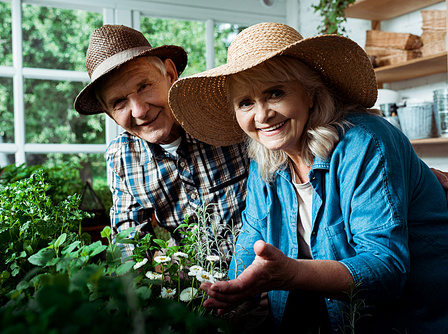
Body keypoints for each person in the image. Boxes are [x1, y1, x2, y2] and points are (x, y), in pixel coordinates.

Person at [168, 22, 448, 333]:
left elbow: (387, 269)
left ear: (310, 94)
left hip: (411, 320)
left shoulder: (366, 142)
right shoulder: (266, 162)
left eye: (275, 92)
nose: (261, 116)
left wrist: (291, 275)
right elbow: (249, 246)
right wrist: (233, 292)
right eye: (245, 102)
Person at [74, 25, 249, 261]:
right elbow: (129, 243)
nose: (140, 111)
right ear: (109, 113)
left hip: (263, 277)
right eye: (118, 102)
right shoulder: (122, 156)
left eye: (143, 86)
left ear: (170, 74)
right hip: (190, 288)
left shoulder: (227, 118)